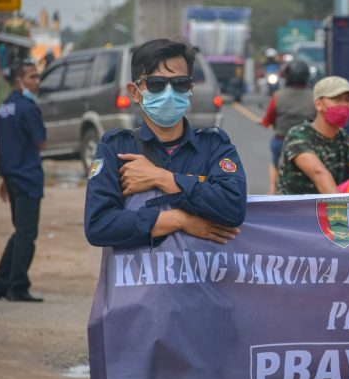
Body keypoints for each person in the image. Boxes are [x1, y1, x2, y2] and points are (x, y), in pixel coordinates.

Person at [84, 39, 246, 249]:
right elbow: (98, 226)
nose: (169, 93)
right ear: (134, 92)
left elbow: (232, 208)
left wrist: (161, 178)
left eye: (179, 83)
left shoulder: (214, 146)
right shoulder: (116, 148)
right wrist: (179, 220)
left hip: (200, 282)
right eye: (156, 84)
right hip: (142, 282)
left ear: (190, 89)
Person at [0, 60, 46, 302]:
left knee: (19, 232)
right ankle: (17, 286)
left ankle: (1, 283)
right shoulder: (28, 108)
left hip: (11, 176)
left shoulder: (3, 107)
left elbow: (1, 144)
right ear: (18, 81)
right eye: (32, 77)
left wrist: (3, 178)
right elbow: (41, 142)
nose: (37, 82)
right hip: (27, 178)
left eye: (37, 77)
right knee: (27, 233)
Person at [276, 76, 349, 195]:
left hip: (324, 210)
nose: (344, 105)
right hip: (295, 211)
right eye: (337, 100)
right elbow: (318, 172)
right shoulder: (298, 135)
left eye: (348, 100)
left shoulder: (341, 136)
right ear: (318, 104)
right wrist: (341, 208)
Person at [260, 60, 316, 194]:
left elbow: (268, 120)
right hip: (309, 142)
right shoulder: (314, 96)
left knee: (274, 161)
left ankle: (272, 189)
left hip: (282, 141)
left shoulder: (278, 96)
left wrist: (265, 123)